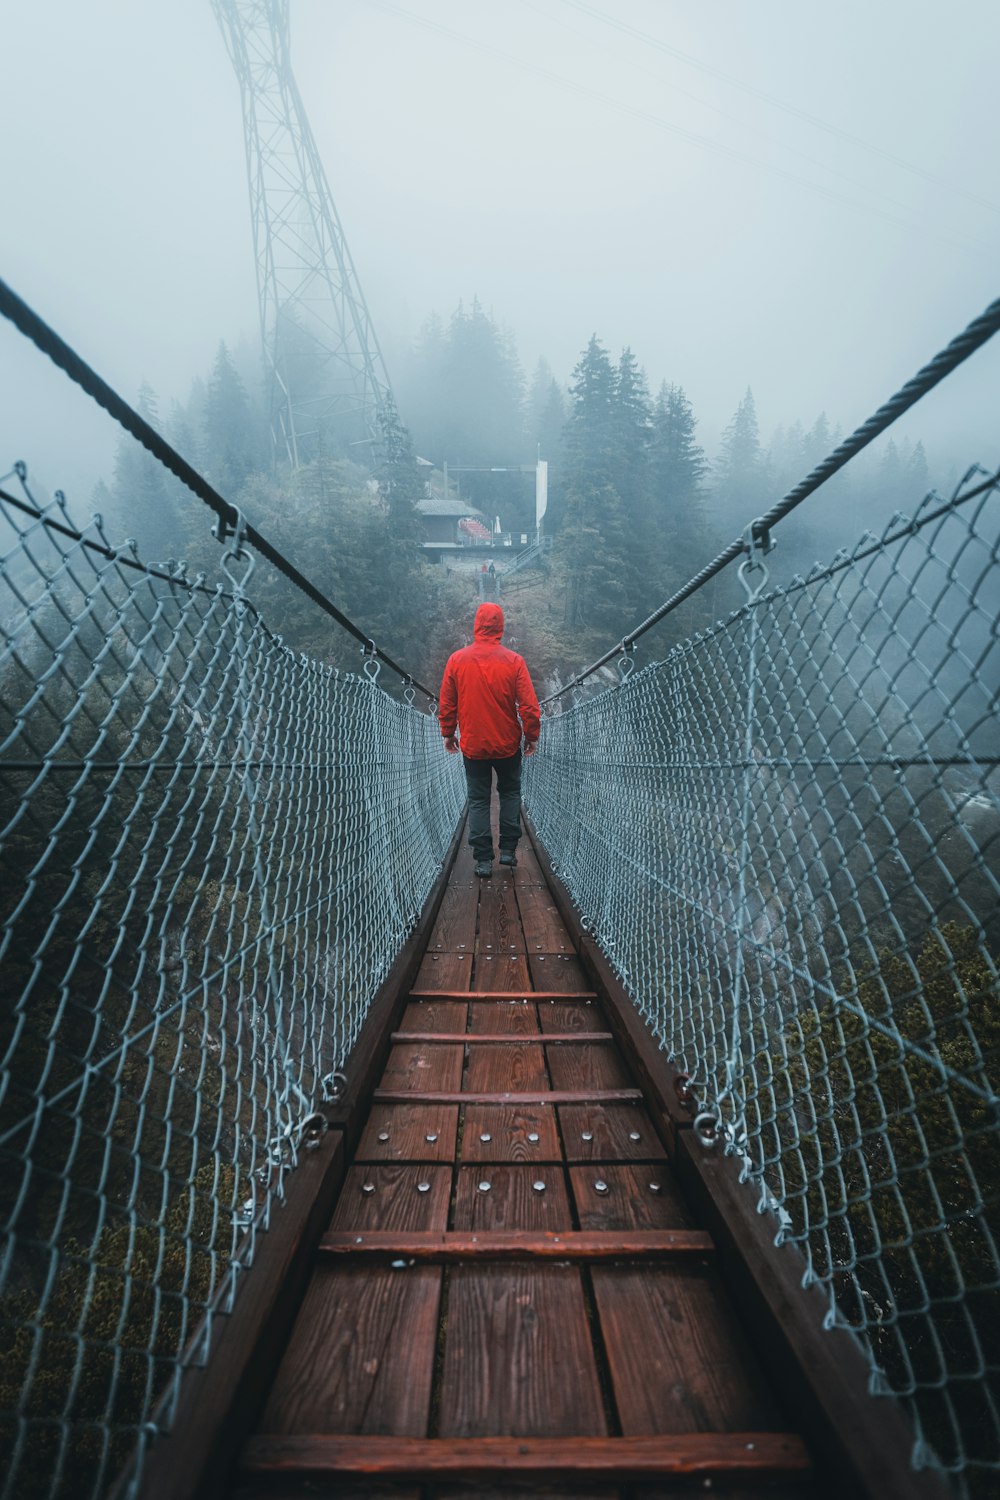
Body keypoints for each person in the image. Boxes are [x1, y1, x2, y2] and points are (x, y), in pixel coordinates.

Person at [439, 603, 540, 878]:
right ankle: (508, 850)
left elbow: (447, 704)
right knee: (509, 793)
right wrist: (532, 737)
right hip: (507, 744)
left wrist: (448, 733)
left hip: (473, 745)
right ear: (500, 626)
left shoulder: (457, 660)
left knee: (479, 800)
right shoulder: (514, 661)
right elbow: (529, 707)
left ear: (476, 624)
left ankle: (483, 861)